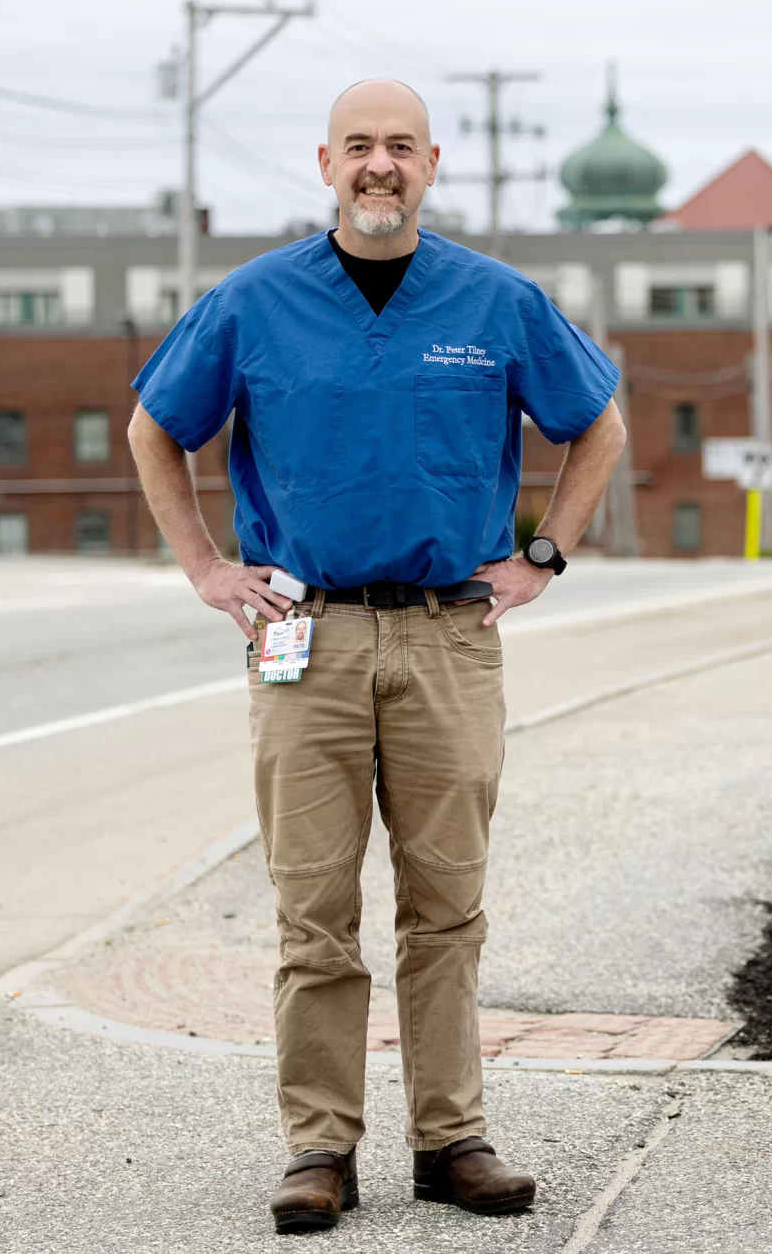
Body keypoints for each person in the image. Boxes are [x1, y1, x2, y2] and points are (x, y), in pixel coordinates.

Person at [127, 77, 626, 1235]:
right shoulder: (254, 304)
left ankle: (452, 1138)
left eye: (399, 146)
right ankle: (318, 1147)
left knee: (446, 904)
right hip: (305, 634)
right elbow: (158, 424)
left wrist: (545, 553)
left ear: (431, 162)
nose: (379, 166)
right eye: (360, 146)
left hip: (451, 633)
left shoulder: (494, 302)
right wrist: (206, 567)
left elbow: (595, 420)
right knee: (313, 910)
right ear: (326, 162)